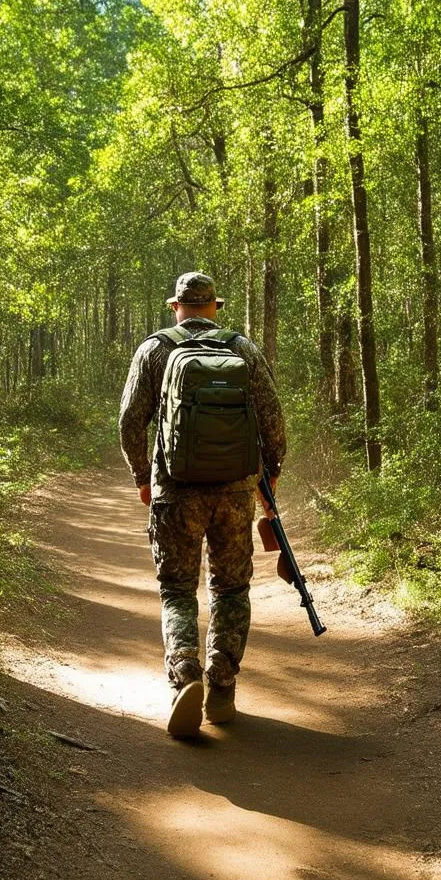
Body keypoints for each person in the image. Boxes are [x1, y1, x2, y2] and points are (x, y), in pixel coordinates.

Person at [118, 271, 286, 738]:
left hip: (175, 491)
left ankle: (185, 676)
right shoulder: (243, 349)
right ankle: (223, 683)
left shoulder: (154, 350)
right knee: (231, 589)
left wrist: (142, 477)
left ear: (177, 307)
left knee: (176, 589)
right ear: (213, 307)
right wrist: (268, 476)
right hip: (235, 492)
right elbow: (273, 421)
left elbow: (131, 422)